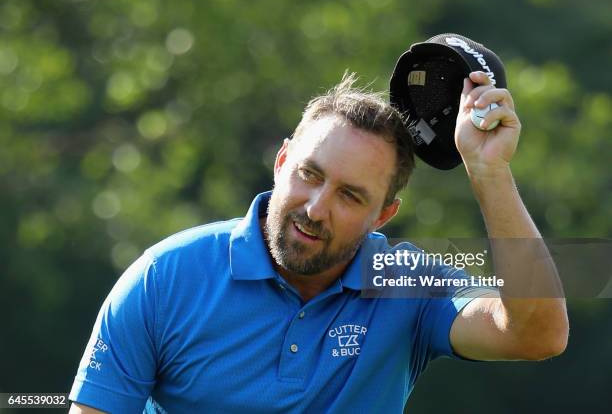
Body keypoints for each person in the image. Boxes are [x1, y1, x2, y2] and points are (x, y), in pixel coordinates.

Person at [69, 71, 569, 413]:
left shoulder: (407, 283)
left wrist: (489, 172)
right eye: (310, 174)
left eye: (350, 196)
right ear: (282, 161)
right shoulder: (165, 277)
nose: (315, 208)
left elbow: (537, 334)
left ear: (384, 215)